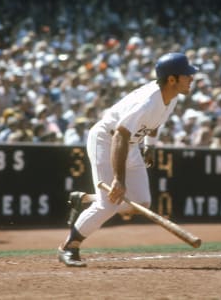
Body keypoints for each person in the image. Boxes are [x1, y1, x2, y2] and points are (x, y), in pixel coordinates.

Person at [57, 52, 198, 267]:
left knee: (141, 203)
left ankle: (85, 199)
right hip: (107, 140)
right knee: (108, 205)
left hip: (131, 144)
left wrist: (149, 145)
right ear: (172, 79)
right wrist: (118, 179)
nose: (192, 78)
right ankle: (69, 247)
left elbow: (155, 123)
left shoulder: (171, 97)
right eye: (187, 74)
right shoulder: (147, 101)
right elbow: (119, 136)